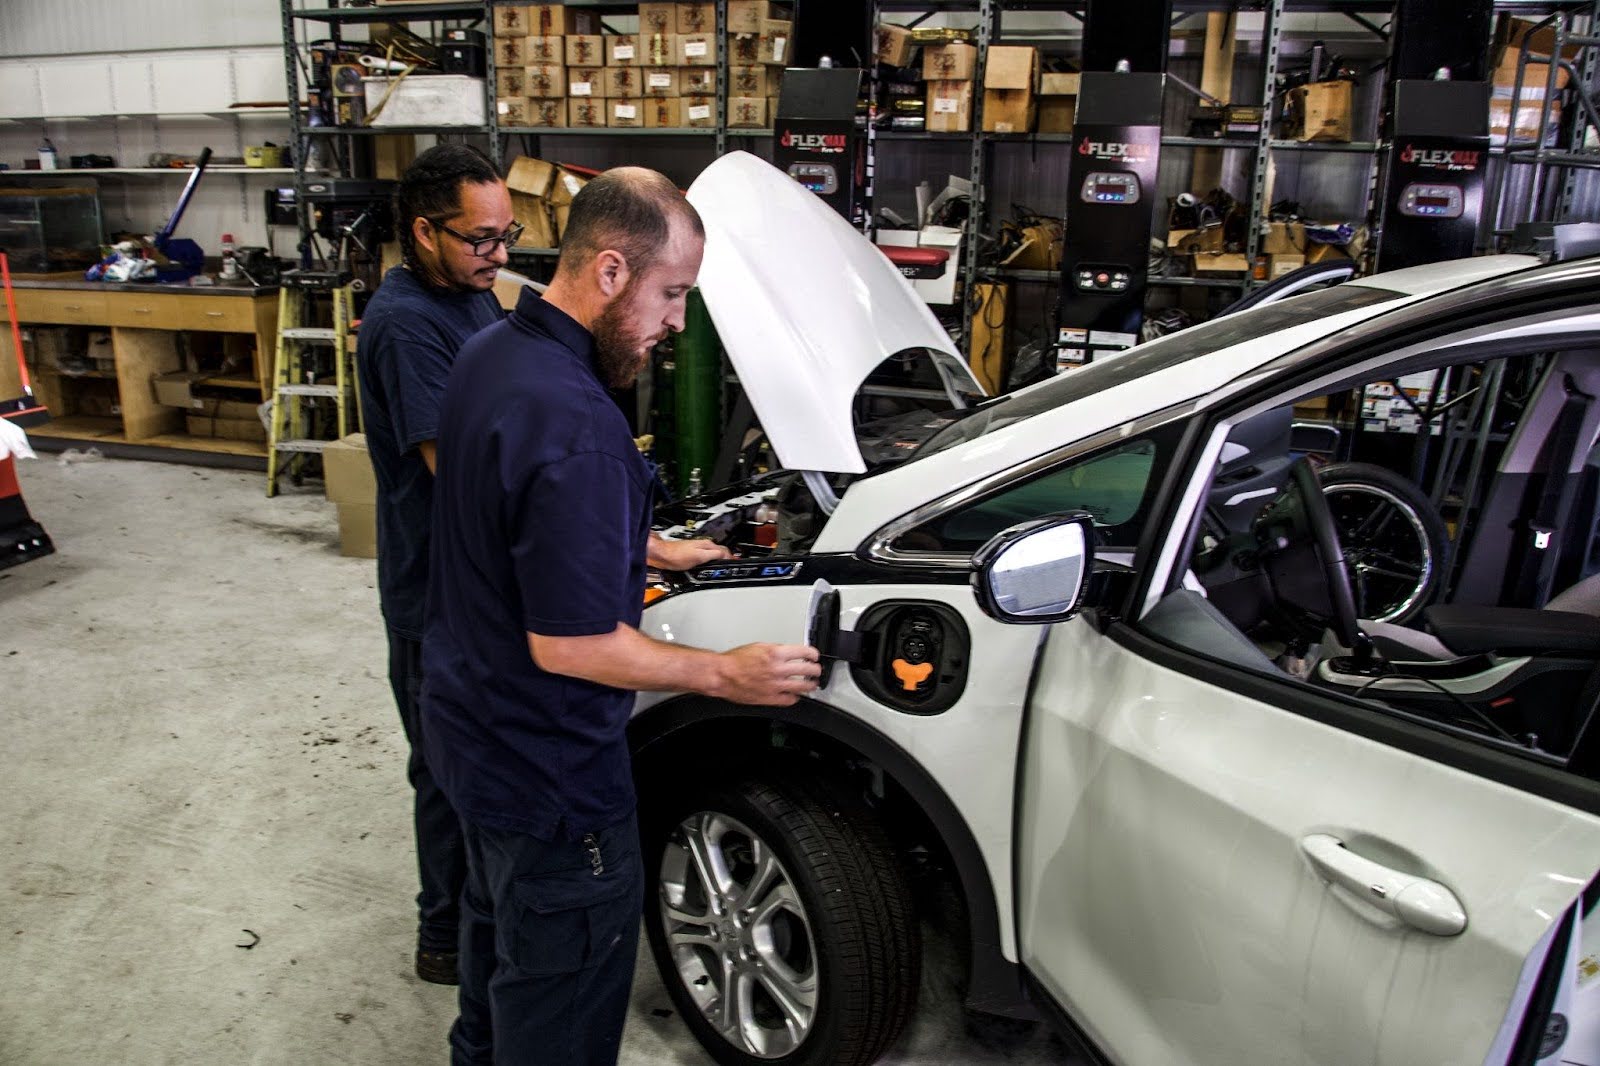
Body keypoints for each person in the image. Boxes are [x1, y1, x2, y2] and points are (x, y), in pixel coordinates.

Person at [422, 166, 821, 1065]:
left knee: (499, 954)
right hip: (550, 773)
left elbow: (510, 507)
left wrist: (644, 542)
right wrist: (727, 673)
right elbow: (570, 644)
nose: (678, 322)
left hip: (467, 733)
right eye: (672, 293)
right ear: (610, 271)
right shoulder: (580, 423)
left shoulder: (493, 352)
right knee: (560, 997)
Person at [356, 143, 515, 985]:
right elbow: (452, 470)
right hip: (433, 594)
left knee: (476, 764)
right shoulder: (408, 323)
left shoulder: (472, 298)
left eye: (506, 235)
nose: (498, 255)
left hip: (473, 582)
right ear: (423, 231)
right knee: (447, 773)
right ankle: (443, 940)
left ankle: (474, 915)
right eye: (479, 239)